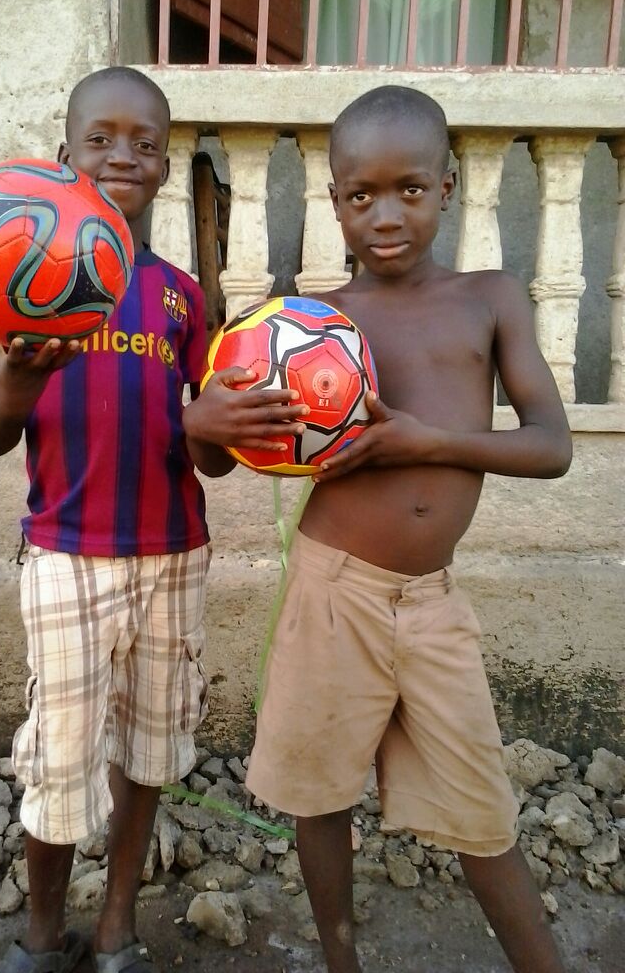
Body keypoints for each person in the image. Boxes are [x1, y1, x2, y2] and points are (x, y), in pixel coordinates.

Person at [183, 85, 572, 973]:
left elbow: (551, 447)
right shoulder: (306, 325)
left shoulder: (491, 299)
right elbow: (221, 458)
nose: (386, 215)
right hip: (334, 592)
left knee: (484, 809)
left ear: (447, 188)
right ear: (335, 203)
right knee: (320, 792)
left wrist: (428, 442)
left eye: (410, 190)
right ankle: (341, 959)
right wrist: (201, 423)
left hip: (432, 603)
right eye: (362, 195)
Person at [0, 66, 297, 973]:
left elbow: (213, 456)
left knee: (151, 746)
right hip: (67, 556)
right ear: (63, 153)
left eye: (147, 143)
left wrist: (210, 426)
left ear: (166, 165)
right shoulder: (17, 280)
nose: (124, 157)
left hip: (173, 555)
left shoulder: (180, 295)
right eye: (101, 139)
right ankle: (41, 936)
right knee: (60, 754)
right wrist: (15, 389)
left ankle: (116, 926)